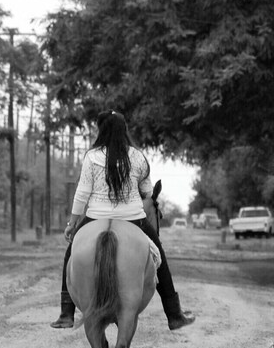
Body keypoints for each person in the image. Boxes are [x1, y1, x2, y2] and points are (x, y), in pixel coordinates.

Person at [51, 110, 196, 330]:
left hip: (95, 216)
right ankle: (174, 314)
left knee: (71, 253)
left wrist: (72, 223)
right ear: (124, 130)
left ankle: (66, 313)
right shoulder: (137, 156)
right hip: (133, 218)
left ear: (101, 130)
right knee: (160, 256)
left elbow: (82, 193)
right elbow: (147, 191)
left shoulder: (91, 156)